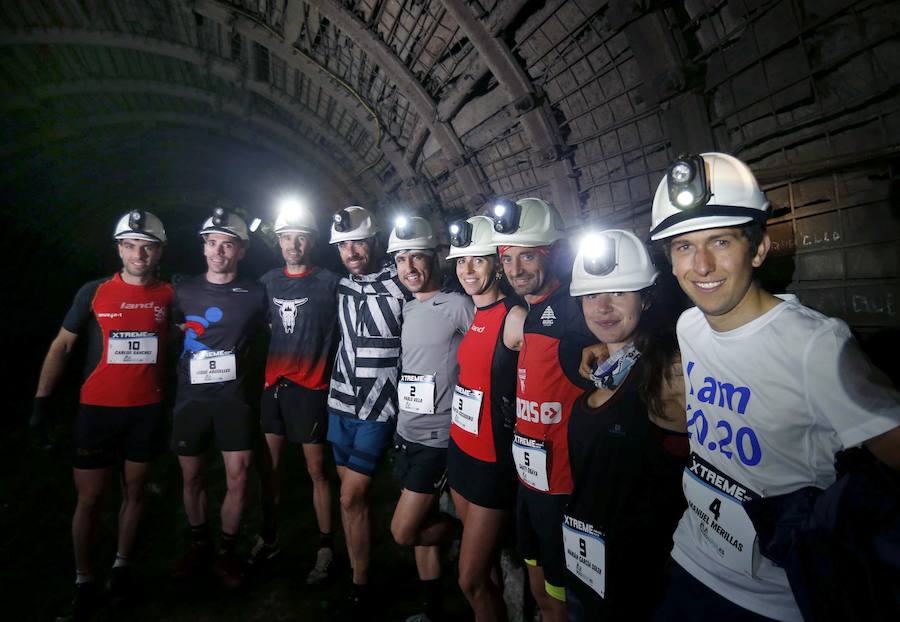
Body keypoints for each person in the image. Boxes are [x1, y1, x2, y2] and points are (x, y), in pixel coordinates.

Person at [647, 152, 900, 622]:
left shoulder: (816, 345)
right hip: (691, 559)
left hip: (770, 596)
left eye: (720, 241)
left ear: (758, 249)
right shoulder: (690, 327)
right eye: (683, 246)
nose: (701, 265)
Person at [32, 210, 173, 619]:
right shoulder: (93, 292)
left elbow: (193, 336)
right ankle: (83, 579)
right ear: (119, 249)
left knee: (135, 492)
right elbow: (62, 346)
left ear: (159, 250)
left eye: (147, 247)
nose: (139, 254)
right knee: (90, 498)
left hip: (145, 410)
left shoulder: (168, 295)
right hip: (97, 412)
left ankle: (122, 567)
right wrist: (42, 401)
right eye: (131, 246)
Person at [563, 229, 688, 621]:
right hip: (586, 560)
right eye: (590, 295)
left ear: (646, 298)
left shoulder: (669, 374)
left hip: (639, 578)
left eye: (619, 293)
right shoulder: (601, 367)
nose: (601, 306)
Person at [490, 197, 596, 622]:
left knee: (562, 601)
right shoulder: (529, 312)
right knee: (537, 583)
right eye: (508, 259)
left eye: (528, 256)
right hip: (529, 481)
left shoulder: (576, 309)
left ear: (551, 254)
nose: (516, 270)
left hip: (564, 491)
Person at [169, 208, 266, 590]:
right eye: (212, 243)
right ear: (204, 246)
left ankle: (227, 551)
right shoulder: (182, 291)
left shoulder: (256, 293)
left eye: (228, 245)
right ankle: (199, 545)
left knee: (238, 478)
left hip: (233, 399)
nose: (218, 252)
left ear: (241, 251)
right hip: (191, 400)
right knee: (191, 476)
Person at [387, 216, 475, 622]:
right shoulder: (406, 308)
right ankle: (431, 612)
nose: (409, 267)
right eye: (401, 259)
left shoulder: (456, 305)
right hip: (406, 432)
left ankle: (472, 536)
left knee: (403, 532)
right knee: (423, 540)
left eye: (416, 257)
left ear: (434, 259)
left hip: (437, 437)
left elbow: (487, 352)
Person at [250, 204, 340, 584]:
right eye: (287, 237)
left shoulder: (331, 282)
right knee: (268, 470)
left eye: (300, 237)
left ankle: (325, 545)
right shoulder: (268, 281)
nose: (293, 244)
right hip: (275, 387)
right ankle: (268, 535)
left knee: (317, 470)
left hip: (311, 388)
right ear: (279, 241)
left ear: (312, 242)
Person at [326, 205, 411, 612]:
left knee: (349, 496)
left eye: (358, 241)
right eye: (344, 244)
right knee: (352, 499)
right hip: (340, 401)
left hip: (379, 406)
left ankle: (361, 584)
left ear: (375, 242)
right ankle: (361, 568)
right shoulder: (339, 286)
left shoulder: (401, 283)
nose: (352, 250)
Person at [445, 215, 526, 621]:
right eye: (461, 262)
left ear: (496, 263)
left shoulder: (514, 317)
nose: (468, 270)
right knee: (487, 569)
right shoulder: (473, 313)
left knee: (470, 579)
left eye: (477, 261)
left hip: (493, 462)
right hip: (460, 449)